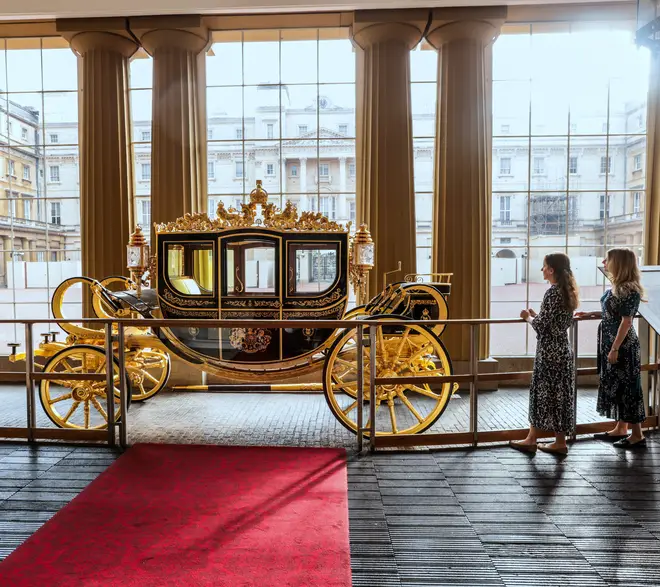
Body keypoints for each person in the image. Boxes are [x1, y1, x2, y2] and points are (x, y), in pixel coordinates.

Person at [510, 253, 579, 455]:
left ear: (551, 270)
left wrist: (527, 318)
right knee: (560, 394)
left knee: (541, 393)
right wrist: (537, 316)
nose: (542, 270)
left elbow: (541, 327)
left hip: (548, 353)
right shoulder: (568, 292)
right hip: (563, 350)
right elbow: (555, 324)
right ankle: (560, 441)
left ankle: (531, 439)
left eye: (544, 266)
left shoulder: (552, 293)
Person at [579, 248, 646, 448]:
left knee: (628, 389)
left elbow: (626, 322)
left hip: (623, 347)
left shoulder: (629, 289)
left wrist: (615, 348)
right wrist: (591, 314)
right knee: (618, 387)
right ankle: (620, 428)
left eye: (607, 259)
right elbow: (614, 314)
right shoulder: (619, 286)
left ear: (618, 263)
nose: (604, 262)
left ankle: (637, 435)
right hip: (613, 344)